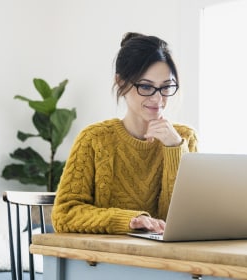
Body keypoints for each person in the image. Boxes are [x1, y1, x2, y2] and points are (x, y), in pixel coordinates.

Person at [51, 32, 198, 234]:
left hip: (167, 259)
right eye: (146, 87)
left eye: (166, 87)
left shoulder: (184, 139)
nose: (158, 99)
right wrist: (129, 220)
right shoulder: (95, 139)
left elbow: (187, 221)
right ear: (121, 82)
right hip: (104, 259)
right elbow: (64, 214)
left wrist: (174, 149)